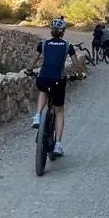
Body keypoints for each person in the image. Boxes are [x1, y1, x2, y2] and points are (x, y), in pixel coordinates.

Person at [31, 17, 76, 156]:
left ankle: (38, 116)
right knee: (59, 112)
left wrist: (28, 70)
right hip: (58, 81)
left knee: (43, 90)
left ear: (51, 31)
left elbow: (34, 59)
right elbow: (76, 63)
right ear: (62, 32)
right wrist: (79, 74)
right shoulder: (68, 45)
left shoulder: (43, 44)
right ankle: (58, 145)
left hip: (43, 79)